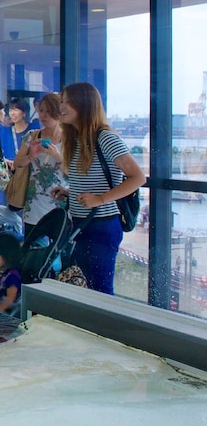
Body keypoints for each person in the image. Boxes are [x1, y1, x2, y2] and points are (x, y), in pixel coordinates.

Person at [51, 82, 146, 294]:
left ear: (84, 105)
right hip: (81, 224)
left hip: (101, 225)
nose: (62, 107)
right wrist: (71, 193)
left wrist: (100, 199)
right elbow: (92, 180)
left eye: (67, 102)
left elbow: (138, 178)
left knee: (99, 291)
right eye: (62, 101)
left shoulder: (105, 137)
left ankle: (101, 328)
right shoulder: (77, 139)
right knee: (83, 287)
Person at [12, 93, 67, 237]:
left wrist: (57, 156)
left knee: (58, 251)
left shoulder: (69, 139)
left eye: (49, 111)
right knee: (33, 248)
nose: (44, 116)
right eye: (41, 110)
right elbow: (17, 163)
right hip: (35, 203)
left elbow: (74, 172)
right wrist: (31, 156)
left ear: (58, 113)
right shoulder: (32, 135)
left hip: (60, 201)